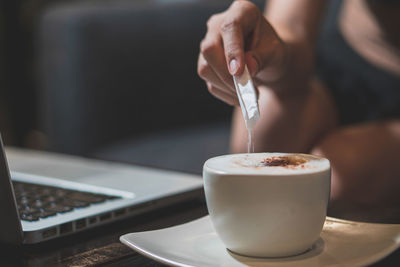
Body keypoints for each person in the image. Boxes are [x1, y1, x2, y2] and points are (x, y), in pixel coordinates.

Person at [197, 0, 400, 223]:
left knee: (340, 174)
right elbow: (291, 30)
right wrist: (270, 50)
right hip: (345, 56)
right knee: (267, 130)